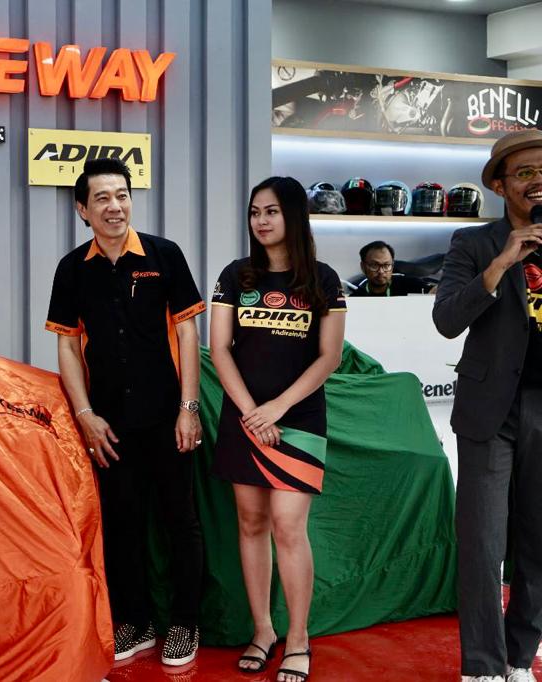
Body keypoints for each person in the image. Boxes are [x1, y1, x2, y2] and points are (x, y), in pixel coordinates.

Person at [45, 157, 206, 667]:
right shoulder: (73, 269)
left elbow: (187, 333)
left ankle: (185, 623)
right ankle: (135, 622)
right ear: (82, 209)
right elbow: (67, 345)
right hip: (109, 423)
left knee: (180, 521)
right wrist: (85, 414)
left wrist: (188, 408)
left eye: (122, 195)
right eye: (102, 198)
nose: (114, 206)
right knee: (121, 523)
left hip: (166, 415)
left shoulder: (164, 255)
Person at [209, 176, 346, 682]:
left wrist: (278, 408)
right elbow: (220, 349)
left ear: (293, 215)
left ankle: (299, 637)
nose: (261, 221)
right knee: (251, 523)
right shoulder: (235, 275)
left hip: (300, 419)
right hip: (244, 418)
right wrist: (252, 412)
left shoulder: (324, 280)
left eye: (271, 211)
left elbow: (329, 356)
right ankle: (263, 630)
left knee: (288, 526)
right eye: (254, 212)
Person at [433, 129, 542, 682]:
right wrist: (500, 265)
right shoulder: (473, 243)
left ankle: (520, 658)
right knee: (482, 542)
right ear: (500, 186)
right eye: (524, 172)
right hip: (489, 411)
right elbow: (447, 320)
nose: (537, 180)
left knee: (538, 541)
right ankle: (482, 666)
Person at [349, 240, 432, 296]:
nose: (381, 271)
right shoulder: (356, 297)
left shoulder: (406, 283)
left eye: (386, 265)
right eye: (374, 265)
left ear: (392, 265)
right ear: (363, 267)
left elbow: (434, 291)